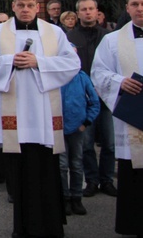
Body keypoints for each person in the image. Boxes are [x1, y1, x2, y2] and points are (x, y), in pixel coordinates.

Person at [0, 0, 80, 238]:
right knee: (20, 173)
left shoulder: (53, 32)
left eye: (30, 5)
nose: (25, 9)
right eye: (20, 5)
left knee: (46, 170)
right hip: (16, 118)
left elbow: (73, 62)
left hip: (44, 116)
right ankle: (22, 228)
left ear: (37, 6)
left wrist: (38, 62)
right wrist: (10, 61)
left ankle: (52, 227)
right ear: (13, 6)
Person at [91, 0, 143, 236]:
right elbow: (98, 73)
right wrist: (119, 82)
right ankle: (133, 224)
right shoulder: (112, 40)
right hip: (132, 118)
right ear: (127, 8)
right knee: (134, 173)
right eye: (135, 4)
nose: (140, 8)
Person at [66, 0, 116, 198]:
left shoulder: (109, 37)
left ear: (97, 12)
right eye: (84, 9)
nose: (88, 12)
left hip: (107, 97)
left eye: (91, 9)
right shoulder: (69, 37)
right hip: (82, 99)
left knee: (109, 143)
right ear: (78, 13)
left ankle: (107, 180)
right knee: (86, 145)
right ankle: (92, 180)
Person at [58, 63, 100, 217]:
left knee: (76, 163)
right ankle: (65, 197)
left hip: (77, 128)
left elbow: (94, 102)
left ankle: (77, 197)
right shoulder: (55, 77)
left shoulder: (82, 77)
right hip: (58, 128)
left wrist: (86, 122)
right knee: (62, 165)